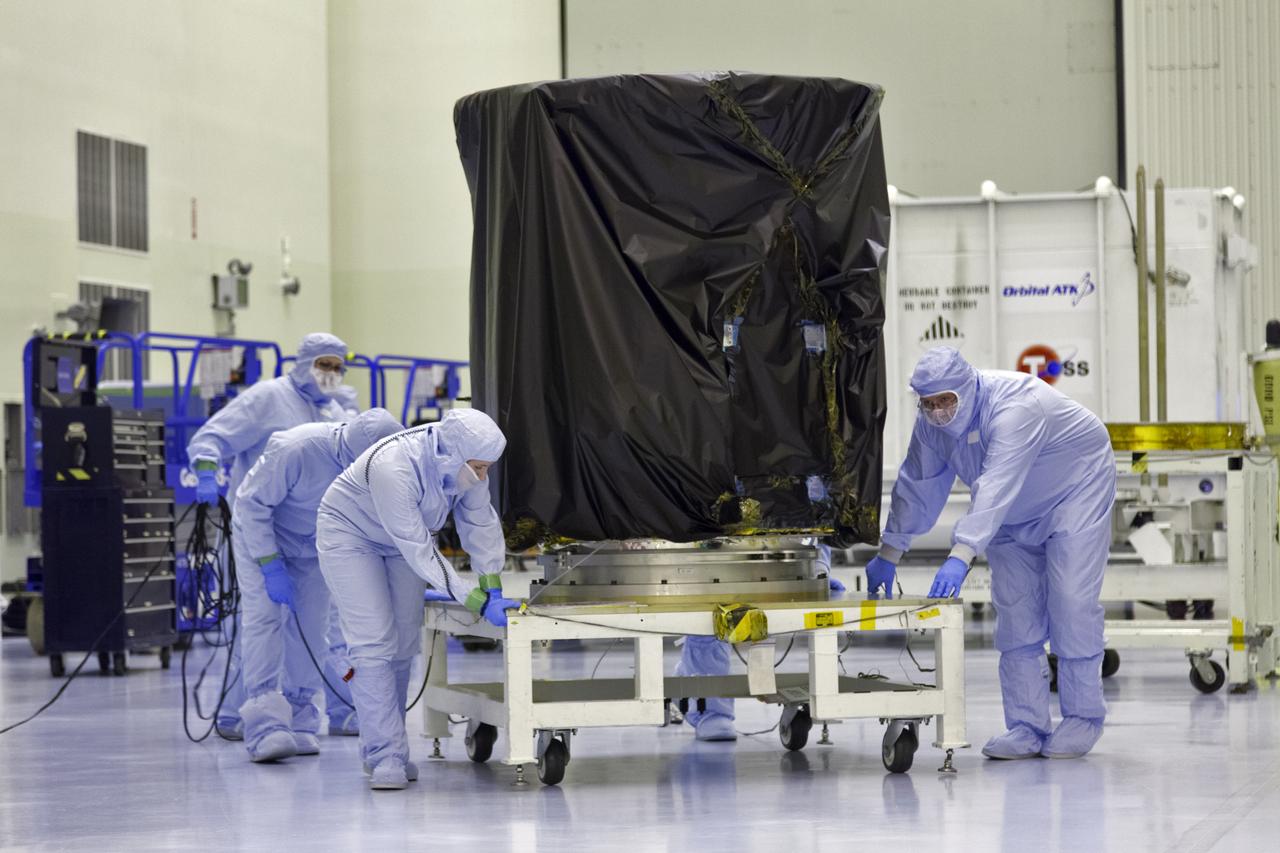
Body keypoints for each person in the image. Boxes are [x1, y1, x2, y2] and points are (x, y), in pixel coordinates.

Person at [865, 347, 1115, 760]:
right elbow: (918, 484)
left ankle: (1083, 719)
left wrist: (961, 555)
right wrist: (890, 550)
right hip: (1011, 512)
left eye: (946, 401)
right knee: (1016, 611)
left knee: (1070, 601)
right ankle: (1026, 726)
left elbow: (996, 483)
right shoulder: (931, 426)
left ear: (966, 387)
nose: (939, 411)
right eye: (928, 403)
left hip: (1075, 491)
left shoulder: (1015, 407)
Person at [317, 409, 516, 790]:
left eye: (487, 468)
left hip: (404, 538)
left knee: (406, 640)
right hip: (350, 535)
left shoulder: (464, 461)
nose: (482, 475)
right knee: (373, 640)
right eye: (478, 467)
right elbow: (417, 548)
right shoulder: (394, 466)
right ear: (455, 455)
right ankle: (384, 755)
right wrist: (470, 597)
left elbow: (481, 519)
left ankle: (391, 748)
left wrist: (491, 580)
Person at [186, 332, 351, 739]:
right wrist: (207, 471)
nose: (330, 374)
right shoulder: (268, 397)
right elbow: (212, 436)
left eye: (337, 367)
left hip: (310, 539)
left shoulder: (334, 410)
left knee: (318, 626)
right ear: (304, 361)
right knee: (262, 622)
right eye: (323, 364)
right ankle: (236, 712)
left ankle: (315, 711)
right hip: (260, 529)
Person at [232, 408, 404, 762]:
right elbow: (251, 504)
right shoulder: (297, 448)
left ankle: (299, 719)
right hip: (263, 540)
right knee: (265, 621)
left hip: (313, 548)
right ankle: (264, 725)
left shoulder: (373, 466)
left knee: (311, 628)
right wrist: (269, 562)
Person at [677, 539, 844, 743]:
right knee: (710, 619)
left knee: (769, 616)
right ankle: (711, 710)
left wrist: (818, 568)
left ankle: (739, 691)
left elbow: (813, 528)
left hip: (778, 565)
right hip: (716, 564)